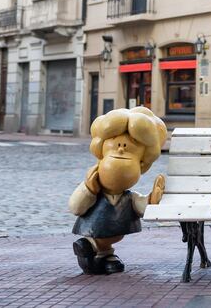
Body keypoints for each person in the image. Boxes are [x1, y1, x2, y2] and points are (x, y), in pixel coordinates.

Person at [68, 106, 167, 275]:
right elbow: (75, 207)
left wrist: (151, 199)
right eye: (115, 140)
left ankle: (102, 254)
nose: (121, 147)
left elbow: (139, 206)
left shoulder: (129, 197)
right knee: (96, 248)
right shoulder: (93, 185)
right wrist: (88, 190)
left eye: (132, 144)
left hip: (114, 230)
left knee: (104, 254)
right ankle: (91, 249)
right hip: (92, 228)